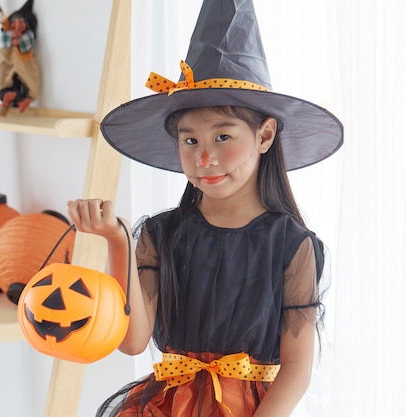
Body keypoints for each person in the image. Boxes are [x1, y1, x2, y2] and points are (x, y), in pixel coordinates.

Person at [67, 0, 343, 416]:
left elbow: (297, 369)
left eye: (224, 137)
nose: (204, 158)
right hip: (164, 407)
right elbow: (133, 342)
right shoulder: (161, 234)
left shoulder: (291, 244)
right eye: (190, 140)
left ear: (265, 135)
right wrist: (118, 240)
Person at [0, 0, 39, 115]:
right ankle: (9, 100)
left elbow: (27, 42)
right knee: (1, 77)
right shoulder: (8, 33)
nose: (17, 27)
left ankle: (19, 101)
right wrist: (12, 36)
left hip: (21, 61)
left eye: (22, 24)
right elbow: (4, 40)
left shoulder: (28, 37)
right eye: (14, 24)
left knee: (23, 80)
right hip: (7, 59)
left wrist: (18, 40)